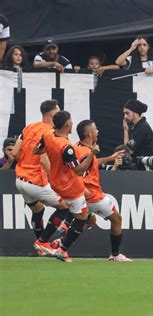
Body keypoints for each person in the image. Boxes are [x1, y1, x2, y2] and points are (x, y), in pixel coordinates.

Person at [34, 111, 99, 262]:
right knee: (82, 218)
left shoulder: (48, 134)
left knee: (63, 209)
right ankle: (62, 249)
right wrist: (92, 154)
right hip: (69, 186)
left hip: (56, 182)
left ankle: (43, 240)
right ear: (68, 125)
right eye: (71, 122)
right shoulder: (67, 147)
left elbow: (36, 150)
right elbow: (79, 170)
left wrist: (52, 152)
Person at [12, 100, 75, 249]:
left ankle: (41, 244)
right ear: (52, 114)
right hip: (36, 180)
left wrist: (26, 164)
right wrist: (55, 180)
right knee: (65, 207)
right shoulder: (50, 133)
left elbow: (14, 153)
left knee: (38, 209)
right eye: (58, 112)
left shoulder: (28, 127)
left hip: (20, 180)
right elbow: (43, 160)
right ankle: (43, 241)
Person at [72, 120, 131, 261]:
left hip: (83, 193)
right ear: (89, 134)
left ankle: (62, 240)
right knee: (117, 219)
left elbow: (91, 163)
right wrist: (94, 155)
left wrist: (110, 158)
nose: (98, 131)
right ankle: (115, 254)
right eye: (95, 129)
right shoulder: (88, 152)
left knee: (89, 222)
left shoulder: (78, 148)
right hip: (93, 195)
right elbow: (83, 167)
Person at [122, 99, 153, 168]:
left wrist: (125, 131)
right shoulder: (138, 127)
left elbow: (128, 151)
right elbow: (128, 148)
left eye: (127, 113)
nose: (125, 117)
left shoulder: (142, 128)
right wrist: (126, 130)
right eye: (124, 114)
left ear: (135, 112)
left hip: (146, 170)